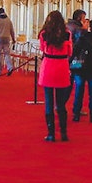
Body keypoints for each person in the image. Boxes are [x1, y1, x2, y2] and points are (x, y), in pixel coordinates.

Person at [38, 10, 73, 142]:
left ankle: (51, 133)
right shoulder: (67, 34)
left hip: (48, 66)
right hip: (62, 67)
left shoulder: (44, 34)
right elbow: (70, 51)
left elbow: (42, 49)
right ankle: (63, 132)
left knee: (48, 102)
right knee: (60, 103)